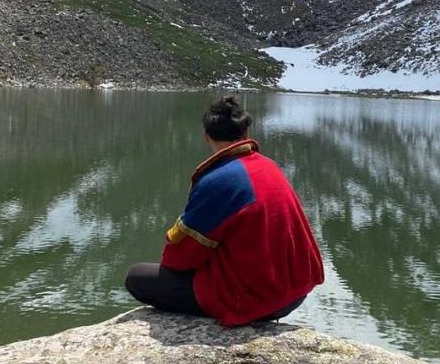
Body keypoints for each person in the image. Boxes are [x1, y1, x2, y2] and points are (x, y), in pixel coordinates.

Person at [124, 95, 324, 327]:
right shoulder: (268, 165)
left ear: (207, 136)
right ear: (246, 135)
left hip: (257, 298)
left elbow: (180, 258)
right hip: (296, 292)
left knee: (137, 277)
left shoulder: (218, 180)